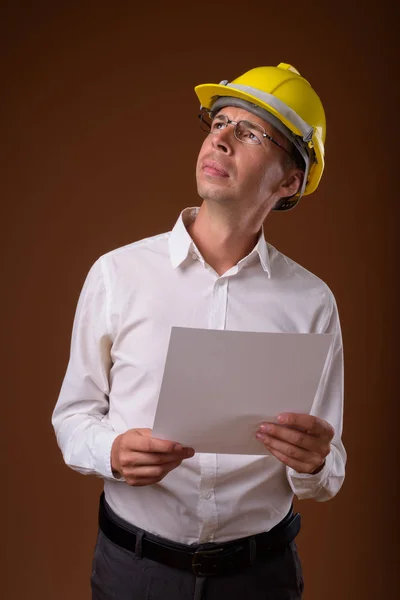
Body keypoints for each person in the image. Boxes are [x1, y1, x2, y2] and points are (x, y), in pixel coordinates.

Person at [52, 62, 346, 600]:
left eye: (252, 132)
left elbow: (329, 467)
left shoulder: (312, 303)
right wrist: (112, 451)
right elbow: (72, 418)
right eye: (218, 122)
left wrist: (317, 462)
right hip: (134, 572)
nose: (223, 139)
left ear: (290, 181)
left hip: (261, 578)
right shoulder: (117, 275)